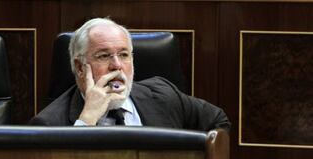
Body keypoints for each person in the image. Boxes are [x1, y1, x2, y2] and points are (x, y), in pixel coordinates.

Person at [30, 18, 231, 132]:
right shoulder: (49, 125)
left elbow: (219, 121)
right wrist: (87, 119)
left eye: (124, 55)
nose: (117, 66)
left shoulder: (162, 94)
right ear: (80, 68)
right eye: (104, 56)